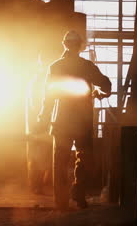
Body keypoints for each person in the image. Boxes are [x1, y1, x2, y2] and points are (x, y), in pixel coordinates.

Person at [32, 30, 111, 211]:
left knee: (59, 162)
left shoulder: (55, 66)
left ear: (65, 44)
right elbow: (106, 85)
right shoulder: (87, 66)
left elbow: (49, 96)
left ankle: (61, 202)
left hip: (61, 122)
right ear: (80, 46)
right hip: (82, 122)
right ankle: (78, 193)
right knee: (83, 159)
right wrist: (99, 92)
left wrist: (42, 119)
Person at [25, 55, 52, 195]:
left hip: (39, 125)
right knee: (39, 157)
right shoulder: (38, 82)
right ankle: (37, 185)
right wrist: (43, 120)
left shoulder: (37, 81)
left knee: (40, 156)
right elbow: (36, 105)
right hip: (39, 125)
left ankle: (38, 184)